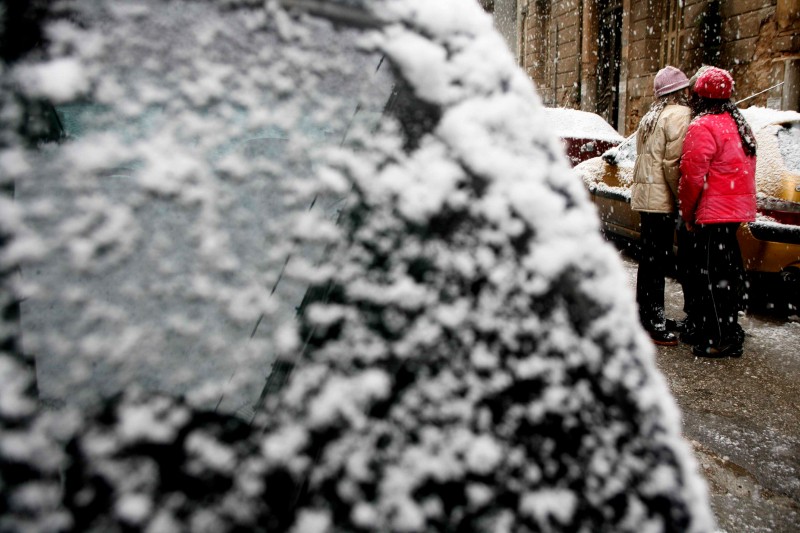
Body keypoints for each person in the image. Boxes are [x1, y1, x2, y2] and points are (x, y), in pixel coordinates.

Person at [679, 66, 757, 357]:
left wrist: (688, 214)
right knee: (724, 274)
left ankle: (719, 336)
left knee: (711, 277)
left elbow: (691, 176)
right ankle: (718, 329)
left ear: (698, 96)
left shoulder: (703, 125)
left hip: (714, 212)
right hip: (735, 211)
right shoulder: (737, 123)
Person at [630, 66, 692, 345]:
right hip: (662, 199)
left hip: (646, 199)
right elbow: (672, 163)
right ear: (681, 91)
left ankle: (647, 316)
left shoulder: (650, 116)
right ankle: (654, 323)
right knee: (658, 262)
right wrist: (681, 197)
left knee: (650, 260)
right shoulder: (679, 115)